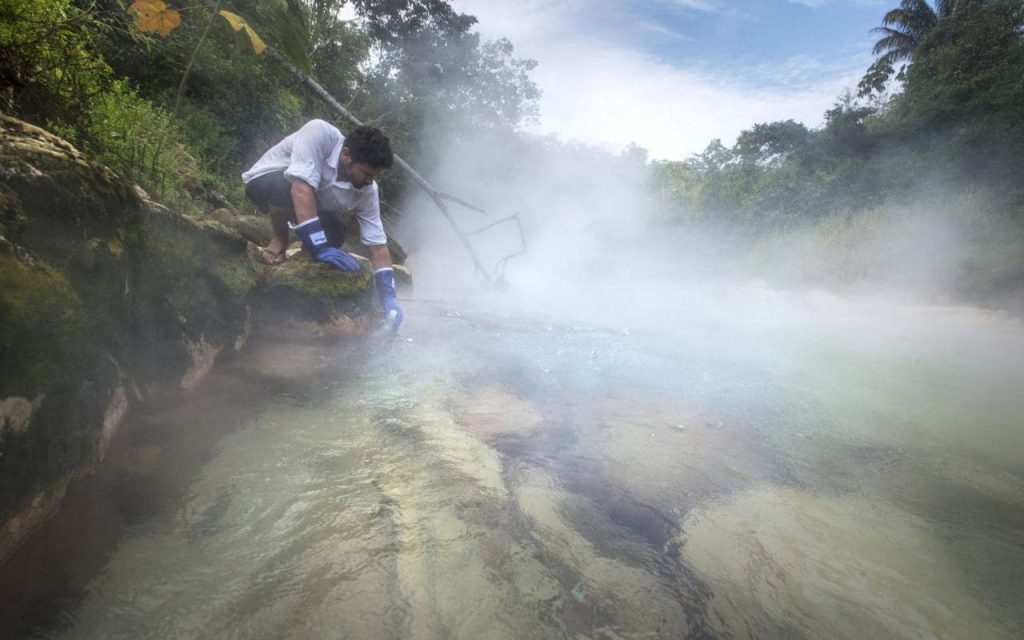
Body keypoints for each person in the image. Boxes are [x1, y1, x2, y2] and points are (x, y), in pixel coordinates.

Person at [242, 119, 403, 329]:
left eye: (375, 176)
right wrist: (318, 245)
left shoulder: (368, 191)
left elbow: (378, 244)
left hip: (308, 198)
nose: (369, 181)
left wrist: (389, 298)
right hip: (265, 181)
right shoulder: (319, 133)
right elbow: (299, 188)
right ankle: (279, 238)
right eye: (367, 174)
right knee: (287, 188)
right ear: (346, 155)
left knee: (335, 236)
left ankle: (303, 248)